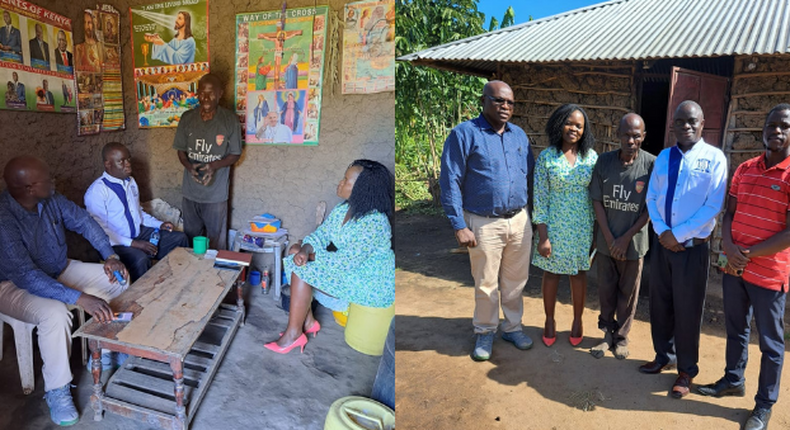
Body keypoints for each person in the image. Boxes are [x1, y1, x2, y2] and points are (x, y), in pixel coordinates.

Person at [0, 156, 129, 426]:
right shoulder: (4, 217)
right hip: (12, 285)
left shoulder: (51, 200)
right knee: (55, 314)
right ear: (29, 188)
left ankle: (105, 351)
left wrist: (109, 255)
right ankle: (57, 390)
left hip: (58, 269)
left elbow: (84, 222)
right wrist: (80, 298)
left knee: (117, 279)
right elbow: (26, 275)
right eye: (48, 179)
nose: (54, 182)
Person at [696, 104, 790, 430]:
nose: (776, 131)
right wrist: (730, 247)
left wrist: (748, 253)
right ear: (762, 130)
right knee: (735, 329)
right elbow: (729, 214)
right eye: (771, 125)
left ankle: (764, 406)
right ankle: (733, 379)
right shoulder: (745, 168)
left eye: (784, 126)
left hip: (769, 272)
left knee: (771, 344)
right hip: (734, 266)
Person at [439, 80, 535, 361]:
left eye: (510, 103)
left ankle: (513, 327)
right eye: (499, 101)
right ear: (483, 101)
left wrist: (534, 219)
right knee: (485, 282)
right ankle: (485, 331)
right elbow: (450, 181)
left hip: (519, 220)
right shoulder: (465, 134)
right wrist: (459, 224)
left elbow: (528, 178)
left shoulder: (519, 136)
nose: (506, 107)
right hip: (483, 222)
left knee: (516, 280)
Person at [641, 100, 728, 399]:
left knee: (688, 309)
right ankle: (663, 356)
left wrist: (677, 234)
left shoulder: (714, 158)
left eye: (692, 121)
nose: (687, 126)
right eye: (681, 122)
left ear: (703, 123)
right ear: (673, 125)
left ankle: (686, 371)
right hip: (663, 245)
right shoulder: (664, 157)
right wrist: (663, 232)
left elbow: (713, 206)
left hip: (692, 248)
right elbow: (652, 198)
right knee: (660, 303)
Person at [266, 160, 395, 354]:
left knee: (300, 268)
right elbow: (321, 235)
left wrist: (309, 256)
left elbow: (345, 262)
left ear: (362, 189)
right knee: (295, 255)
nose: (340, 183)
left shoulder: (375, 222)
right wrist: (305, 249)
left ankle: (294, 333)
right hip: (350, 273)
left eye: (346, 180)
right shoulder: (344, 209)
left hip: (369, 283)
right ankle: (307, 322)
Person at [588, 113, 655, 360]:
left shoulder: (651, 165)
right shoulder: (604, 162)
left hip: (634, 244)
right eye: (626, 134)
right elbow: (597, 201)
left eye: (636, 135)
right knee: (606, 290)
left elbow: (652, 207)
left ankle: (622, 337)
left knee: (628, 293)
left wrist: (625, 238)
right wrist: (609, 238)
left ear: (643, 137)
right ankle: (606, 334)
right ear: (618, 135)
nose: (630, 140)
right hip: (607, 242)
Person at [532, 104, 598, 348]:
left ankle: (577, 321)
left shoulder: (590, 157)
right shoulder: (547, 157)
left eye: (579, 126)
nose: (574, 129)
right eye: (569, 123)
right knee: (551, 273)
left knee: (579, 273)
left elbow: (595, 196)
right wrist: (543, 236)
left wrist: (595, 233)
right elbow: (540, 197)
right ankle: (549, 321)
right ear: (560, 124)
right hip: (554, 228)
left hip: (582, 226)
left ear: (584, 130)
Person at [85, 143, 189, 282]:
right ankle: (143, 297)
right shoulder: (97, 192)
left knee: (179, 239)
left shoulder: (131, 182)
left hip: (138, 234)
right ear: (108, 164)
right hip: (115, 243)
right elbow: (99, 232)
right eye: (121, 161)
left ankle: (178, 280)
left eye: (128, 159)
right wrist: (135, 244)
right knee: (140, 259)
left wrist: (159, 224)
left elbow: (138, 212)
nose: (127, 164)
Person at [173, 74, 242, 250]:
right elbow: (181, 150)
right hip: (190, 192)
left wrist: (213, 166)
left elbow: (235, 154)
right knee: (192, 241)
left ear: (220, 94)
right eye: (202, 93)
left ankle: (215, 277)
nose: (206, 98)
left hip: (216, 194)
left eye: (211, 93)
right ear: (197, 94)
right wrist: (189, 167)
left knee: (216, 242)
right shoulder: (187, 118)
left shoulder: (229, 120)